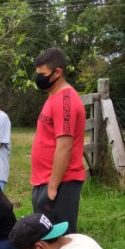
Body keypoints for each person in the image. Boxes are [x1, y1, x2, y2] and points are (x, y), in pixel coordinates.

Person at [29, 47, 86, 233]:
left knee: (62, 238)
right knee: (46, 237)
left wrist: (52, 188)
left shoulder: (65, 101)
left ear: (58, 72)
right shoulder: (53, 96)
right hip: (43, 180)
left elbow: (65, 147)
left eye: (43, 74)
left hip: (61, 183)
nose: (39, 78)